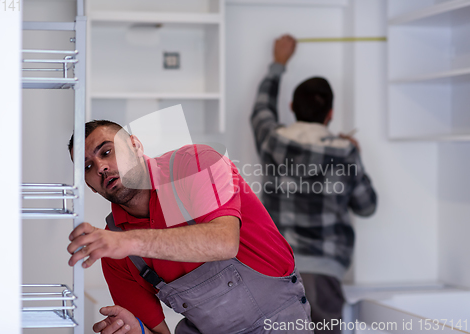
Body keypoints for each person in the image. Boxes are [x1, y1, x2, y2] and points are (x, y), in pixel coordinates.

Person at [66, 120, 313, 334]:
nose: (101, 167)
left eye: (107, 152)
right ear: (90, 187)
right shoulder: (116, 251)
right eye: (88, 167)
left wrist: (128, 242)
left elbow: (223, 242)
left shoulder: (194, 165)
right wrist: (138, 329)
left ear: (135, 145)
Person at [250, 35, 377, 333]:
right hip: (324, 273)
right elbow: (367, 206)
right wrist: (354, 152)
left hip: (277, 268)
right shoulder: (344, 152)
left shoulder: (273, 140)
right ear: (330, 115)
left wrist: (278, 63)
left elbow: (261, 111)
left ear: (292, 106)